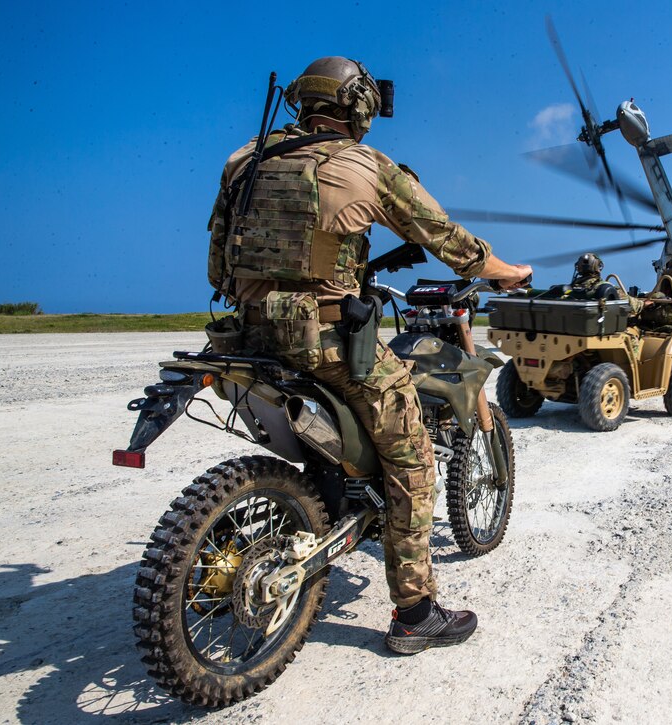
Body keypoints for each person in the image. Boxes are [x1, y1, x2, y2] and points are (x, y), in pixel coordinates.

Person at [206, 57, 531, 654]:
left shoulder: (243, 160)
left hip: (242, 339)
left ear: (303, 103)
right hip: (322, 343)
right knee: (413, 455)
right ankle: (416, 610)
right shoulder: (367, 167)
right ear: (359, 107)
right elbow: (447, 239)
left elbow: (217, 262)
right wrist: (506, 272)